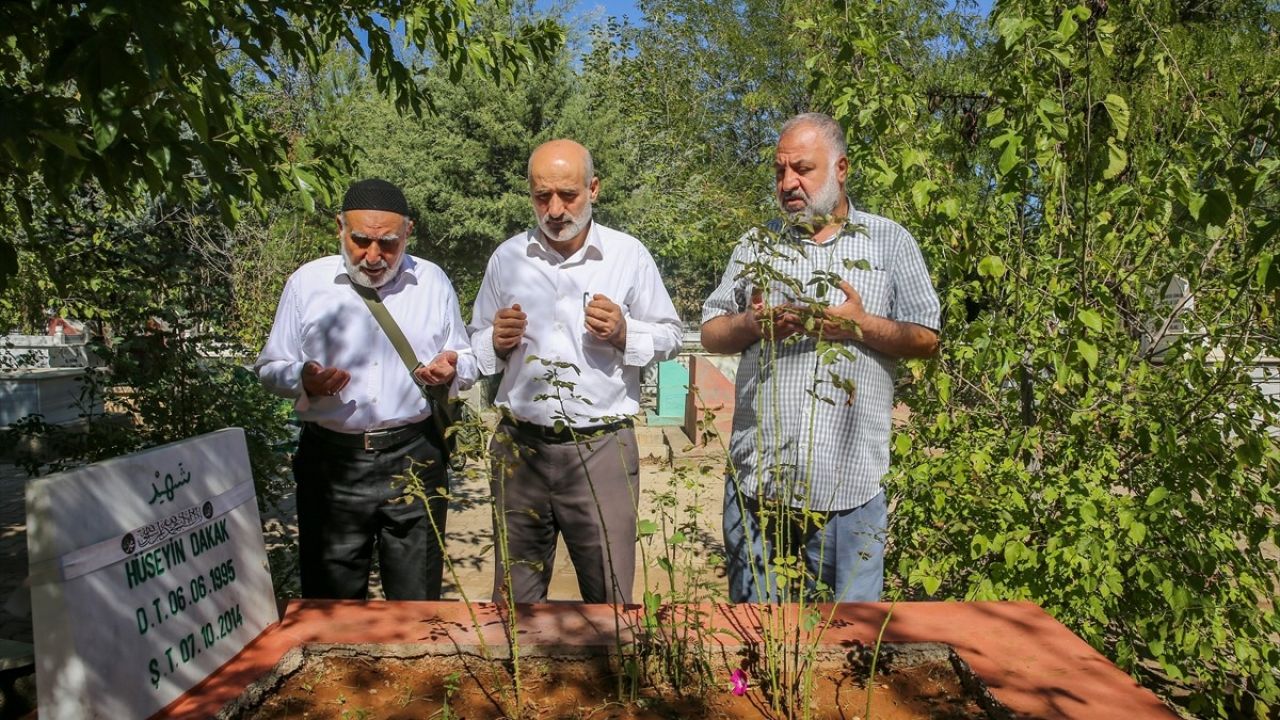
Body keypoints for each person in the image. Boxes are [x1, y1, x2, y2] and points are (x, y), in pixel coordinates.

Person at [700, 113, 941, 603]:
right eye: (779, 171)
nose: (788, 183)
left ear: (842, 168)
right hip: (758, 487)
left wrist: (860, 325)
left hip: (850, 489)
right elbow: (710, 333)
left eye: (802, 170)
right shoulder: (756, 245)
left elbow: (926, 338)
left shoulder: (889, 242)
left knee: (852, 641)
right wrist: (751, 325)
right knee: (757, 635)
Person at [469, 139, 682, 604]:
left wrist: (626, 333)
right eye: (542, 196)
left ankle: (610, 678)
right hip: (520, 448)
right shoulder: (507, 259)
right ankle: (520, 679)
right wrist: (494, 342)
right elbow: (474, 347)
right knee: (515, 602)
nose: (555, 209)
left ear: (594, 189)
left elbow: (671, 336)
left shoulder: (629, 256)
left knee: (610, 599)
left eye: (568, 194)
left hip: (600, 448)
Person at [256, 178, 477, 600]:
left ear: (408, 232)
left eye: (388, 243)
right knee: (332, 606)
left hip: (415, 456)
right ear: (340, 227)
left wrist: (452, 368)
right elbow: (269, 367)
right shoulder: (307, 284)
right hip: (331, 465)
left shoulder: (432, 282)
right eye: (360, 240)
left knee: (417, 604)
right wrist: (302, 377)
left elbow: (465, 358)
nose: (373, 256)